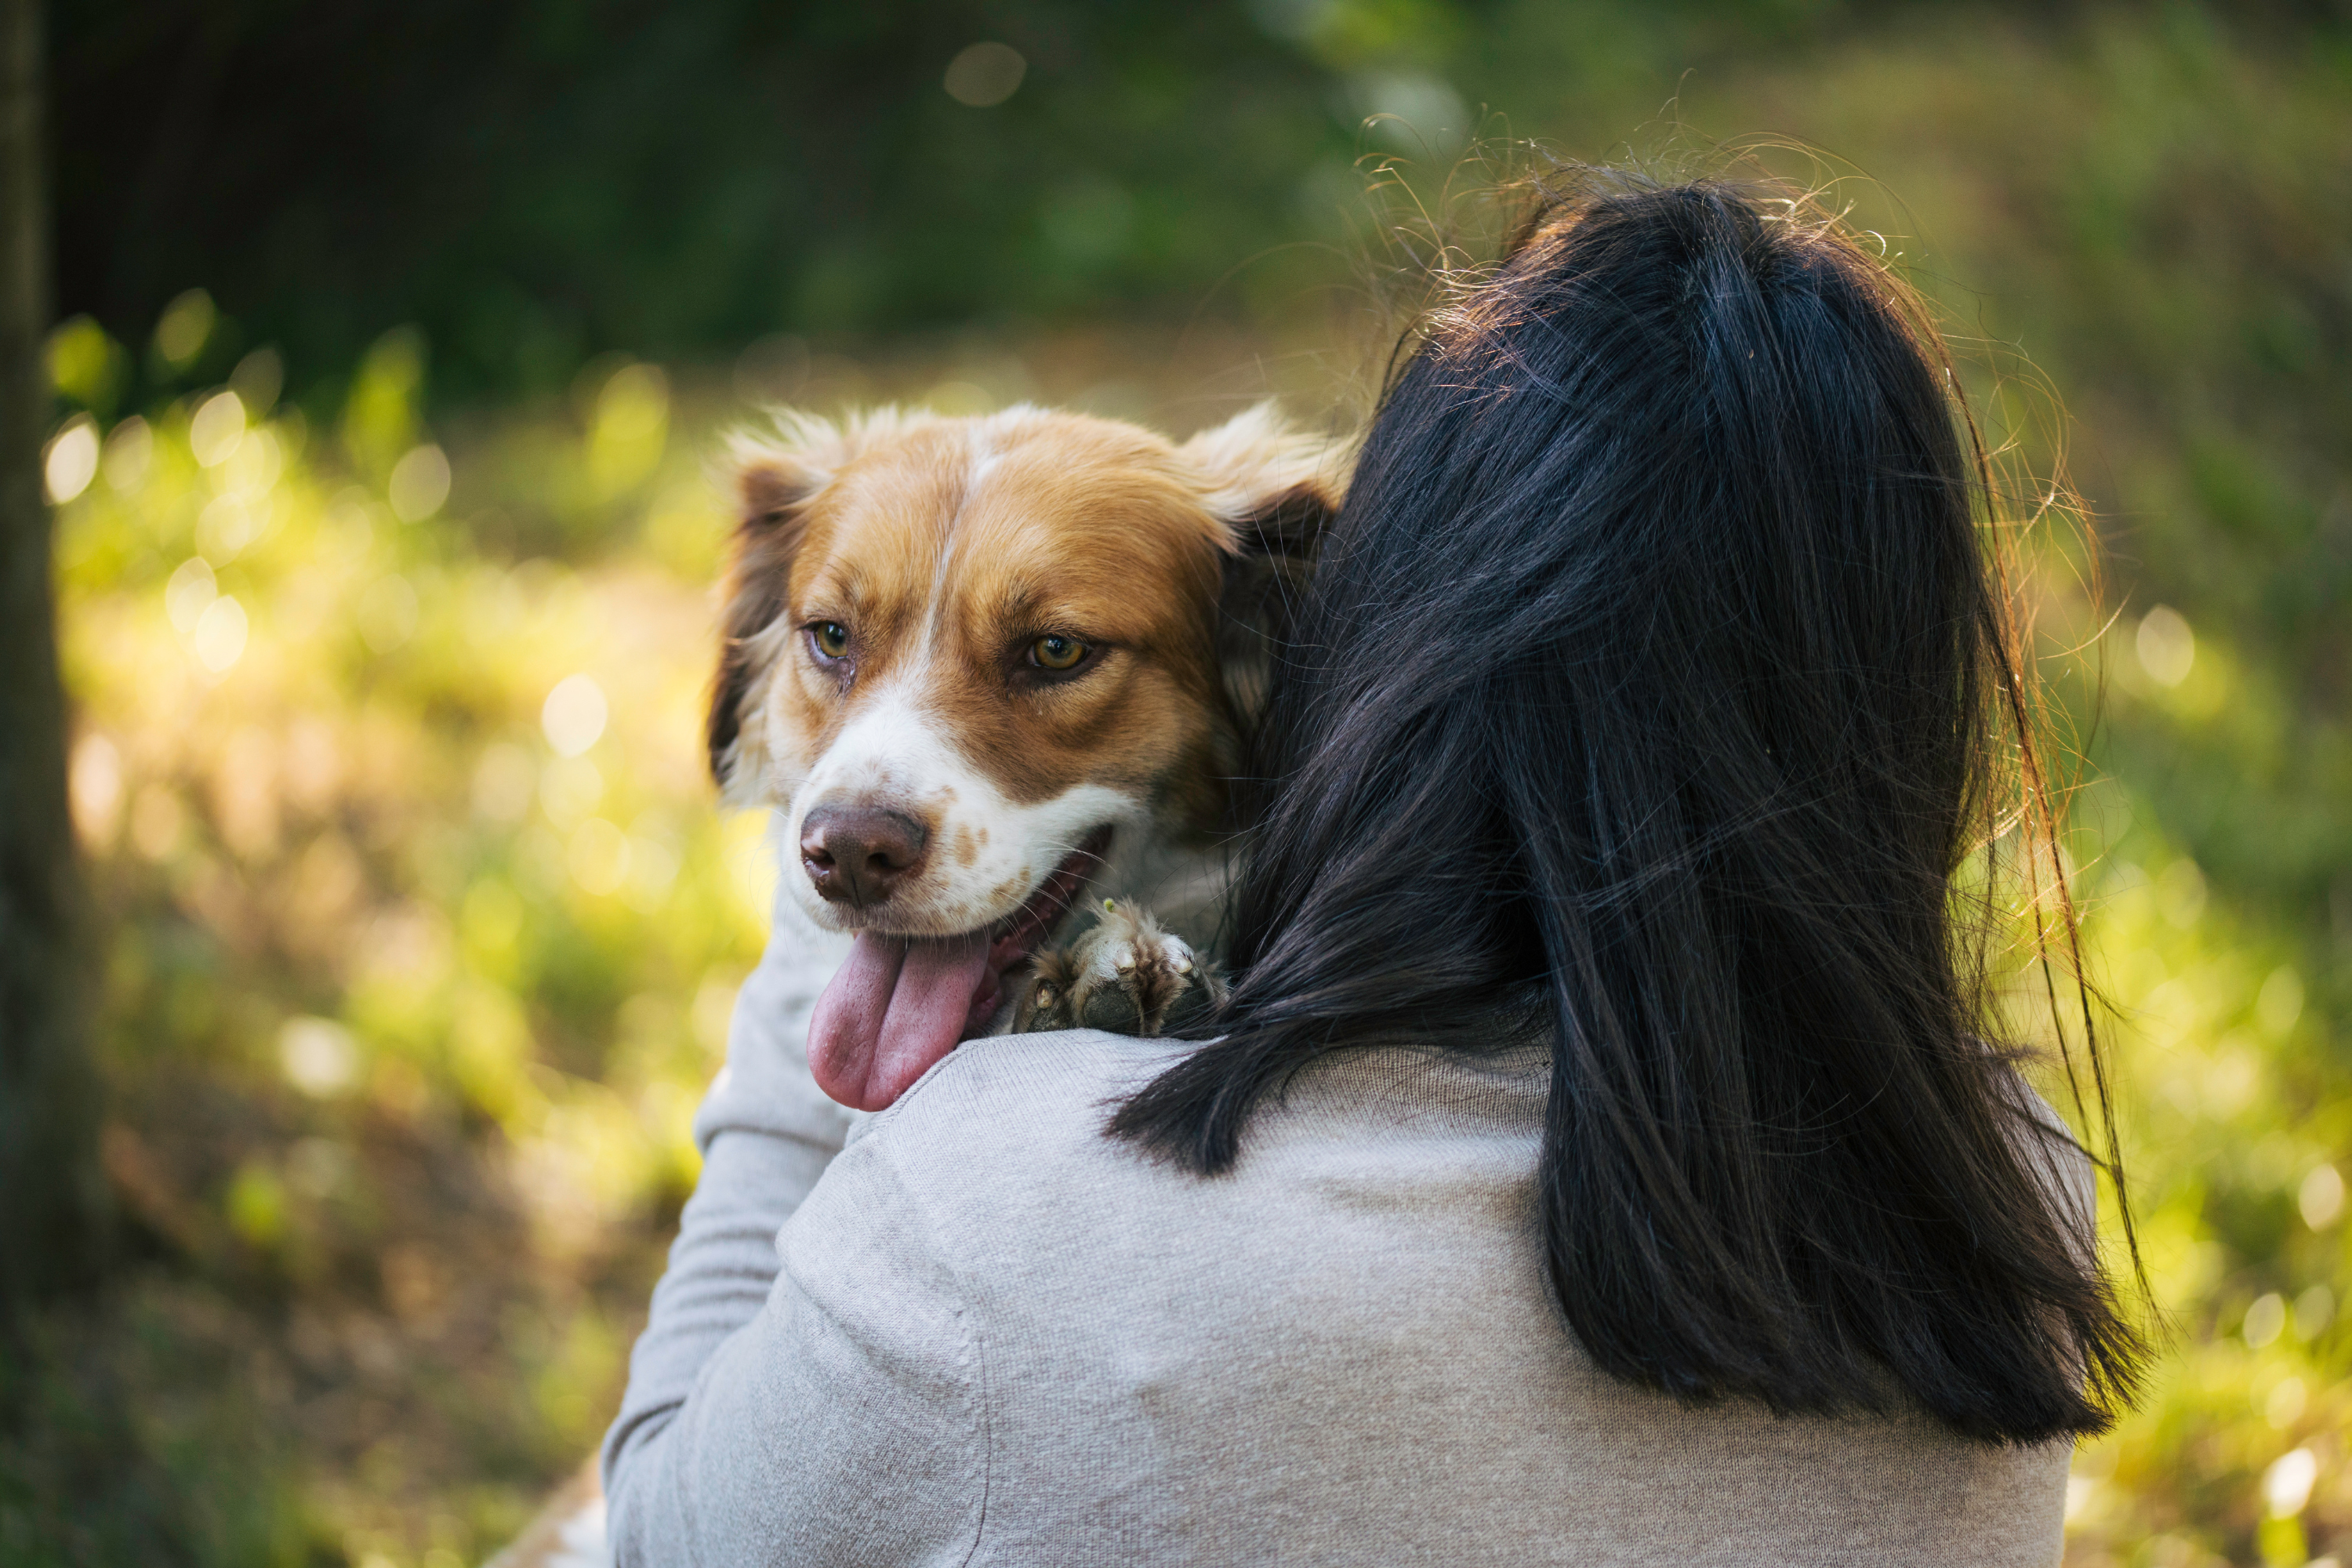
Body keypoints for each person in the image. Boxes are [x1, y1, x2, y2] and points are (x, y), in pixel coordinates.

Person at [600, 172, 2140, 1566]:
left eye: (1053, 653)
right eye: (831, 645)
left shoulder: (1001, 1200)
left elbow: (659, 1534)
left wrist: (805, 1008)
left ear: (1379, 648)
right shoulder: (2005, 1192)